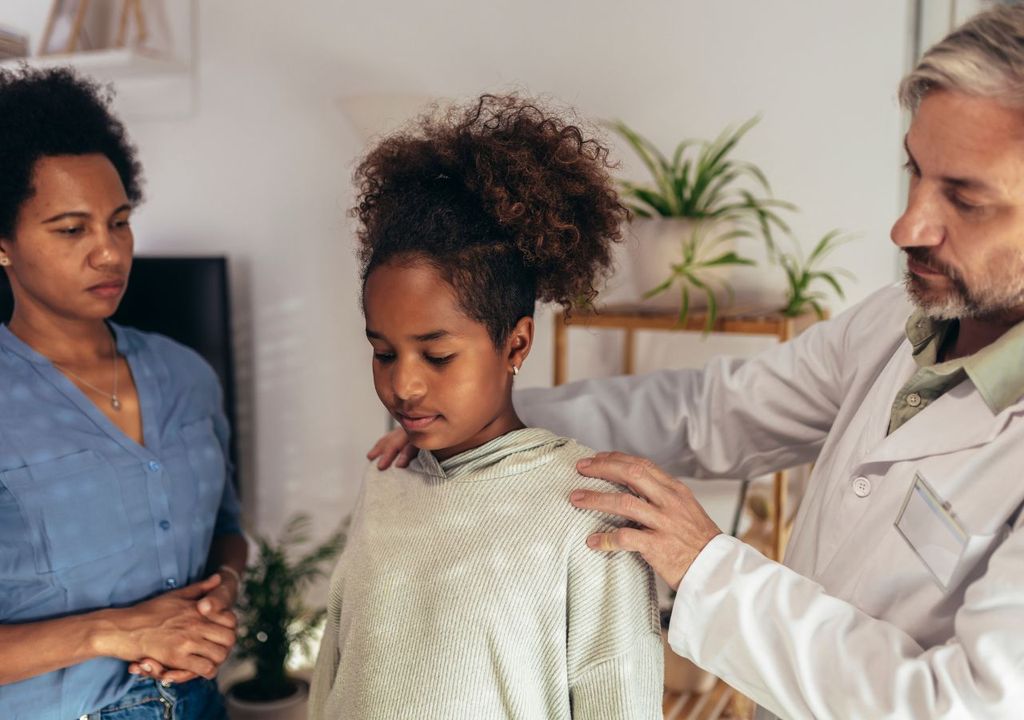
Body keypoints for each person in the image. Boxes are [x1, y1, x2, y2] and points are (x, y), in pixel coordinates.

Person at [370, 7, 1024, 718]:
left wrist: (709, 568)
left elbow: (963, 704)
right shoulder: (897, 325)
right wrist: (493, 425)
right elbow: (716, 411)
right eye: (915, 172)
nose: (908, 226)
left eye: (964, 198)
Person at [310, 94, 663, 719]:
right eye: (383, 353)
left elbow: (619, 699)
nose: (404, 386)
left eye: (437, 356)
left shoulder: (588, 517)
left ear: (515, 343)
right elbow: (336, 672)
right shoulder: (387, 480)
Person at [0, 66, 246, 720]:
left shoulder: (187, 375)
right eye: (72, 229)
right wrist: (113, 630)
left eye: (119, 222)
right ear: (3, 244)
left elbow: (228, 532)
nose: (110, 254)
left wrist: (221, 592)